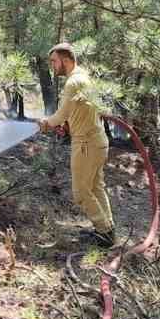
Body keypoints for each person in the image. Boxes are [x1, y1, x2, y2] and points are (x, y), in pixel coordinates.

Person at [36, 42, 115, 245]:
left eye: (54, 61)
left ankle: (104, 231)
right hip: (96, 141)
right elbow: (83, 111)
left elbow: (61, 114)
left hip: (86, 143)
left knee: (81, 192)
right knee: (96, 187)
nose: (52, 65)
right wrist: (69, 126)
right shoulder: (84, 77)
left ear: (65, 59)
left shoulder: (73, 83)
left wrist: (46, 123)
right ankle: (107, 229)